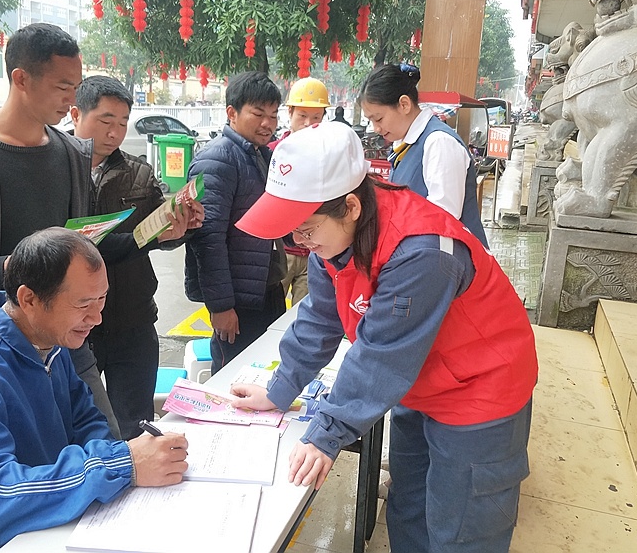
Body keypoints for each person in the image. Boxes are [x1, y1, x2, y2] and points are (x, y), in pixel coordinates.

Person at [231, 122, 537, 553]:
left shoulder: (422, 251)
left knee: (464, 524)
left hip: (480, 387)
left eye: (304, 228)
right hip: (420, 378)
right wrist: (279, 390)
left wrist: (326, 433)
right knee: (408, 504)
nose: (297, 241)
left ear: (350, 206)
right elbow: (319, 319)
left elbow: (381, 355)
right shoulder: (333, 239)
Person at [0, 22, 193, 438]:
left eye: (76, 86)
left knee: (110, 448)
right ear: (21, 78)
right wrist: (6, 269)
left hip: (68, 347)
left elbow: (79, 245)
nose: (72, 99)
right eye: (62, 86)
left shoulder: (72, 155)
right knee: (19, 466)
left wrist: (157, 232)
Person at [0, 228, 189, 553]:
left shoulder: (47, 341)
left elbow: (87, 422)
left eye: (102, 300)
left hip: (46, 530)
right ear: (29, 299)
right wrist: (117, 466)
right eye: (83, 304)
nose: (97, 318)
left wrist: (115, 465)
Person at [70, 75, 204, 439]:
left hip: (132, 318)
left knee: (134, 424)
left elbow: (159, 232)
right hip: (73, 323)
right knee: (77, 426)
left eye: (122, 123)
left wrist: (183, 226)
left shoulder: (139, 173)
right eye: (106, 120)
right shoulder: (55, 168)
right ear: (75, 114)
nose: (115, 132)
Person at [185, 71, 287, 375]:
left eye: (273, 114)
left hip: (265, 286)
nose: (267, 123)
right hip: (238, 298)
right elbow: (207, 237)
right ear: (232, 112)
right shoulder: (217, 159)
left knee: (265, 371)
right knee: (235, 377)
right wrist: (220, 306)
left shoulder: (261, 155)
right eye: (258, 114)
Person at [359, 63, 489, 247]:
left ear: (404, 104)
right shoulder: (403, 144)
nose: (376, 128)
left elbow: (442, 219)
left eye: (379, 119)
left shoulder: (439, 143)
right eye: (371, 120)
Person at [269, 76, 330, 304]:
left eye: (316, 117)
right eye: (302, 116)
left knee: (302, 318)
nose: (308, 123)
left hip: (315, 253)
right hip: (279, 252)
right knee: (270, 316)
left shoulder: (328, 157)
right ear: (290, 113)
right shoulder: (273, 153)